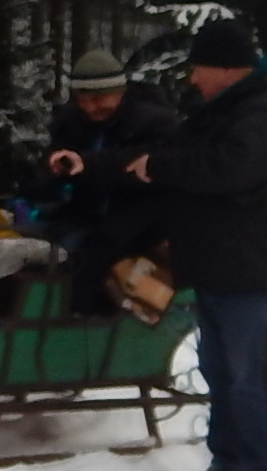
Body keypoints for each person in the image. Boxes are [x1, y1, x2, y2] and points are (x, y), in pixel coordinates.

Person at [123, 18, 267, 471]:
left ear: (226, 67)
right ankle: (227, 463)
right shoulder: (225, 109)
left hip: (251, 266)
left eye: (198, 68)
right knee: (218, 370)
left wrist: (162, 168)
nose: (192, 78)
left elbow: (229, 170)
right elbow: (185, 153)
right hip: (216, 263)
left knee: (249, 375)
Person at [24, 48, 179, 309]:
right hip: (83, 212)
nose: (89, 107)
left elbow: (139, 165)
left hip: (139, 216)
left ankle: (78, 319)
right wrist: (52, 168)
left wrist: (87, 164)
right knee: (30, 242)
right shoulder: (72, 120)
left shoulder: (154, 121)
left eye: (98, 99)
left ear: (119, 91)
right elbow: (53, 160)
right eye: (82, 100)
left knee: (89, 257)